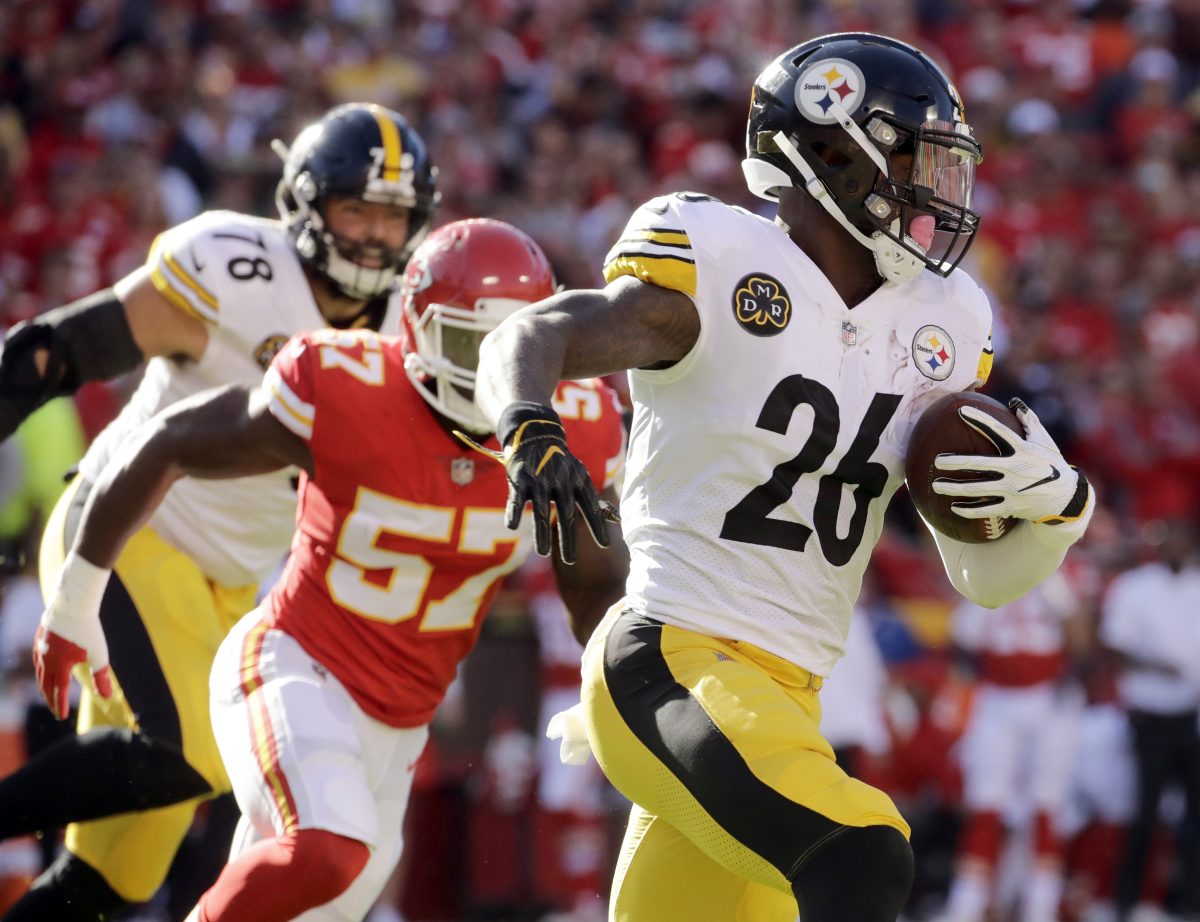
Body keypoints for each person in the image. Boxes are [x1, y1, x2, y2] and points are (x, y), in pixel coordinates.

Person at [470, 32, 1096, 922]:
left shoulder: (944, 322)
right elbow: (531, 333)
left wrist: (1057, 512)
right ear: (833, 156)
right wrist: (530, 423)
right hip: (669, 655)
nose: (938, 193)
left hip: (787, 699)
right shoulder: (722, 262)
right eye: (916, 161)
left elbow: (984, 579)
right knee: (861, 854)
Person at [34, 218, 629, 921]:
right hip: (297, 665)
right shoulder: (349, 387)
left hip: (401, 722)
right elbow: (169, 441)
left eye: (512, 346)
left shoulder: (579, 424)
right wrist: (75, 597)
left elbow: (594, 583)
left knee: (308, 896)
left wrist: (604, 682)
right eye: (471, 344)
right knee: (326, 849)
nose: (488, 375)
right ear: (416, 329)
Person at [0, 101, 440, 920]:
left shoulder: (414, 323)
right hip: (124, 531)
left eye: (394, 216)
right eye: (358, 209)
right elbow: (60, 352)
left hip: (231, 586)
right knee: (195, 754)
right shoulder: (237, 270)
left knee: (112, 879)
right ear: (306, 203)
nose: (378, 235)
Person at [935, 569, 1091, 922]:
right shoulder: (991, 577)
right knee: (986, 803)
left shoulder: (1052, 578)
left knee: (1047, 804)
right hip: (998, 701)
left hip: (1048, 701)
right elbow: (962, 640)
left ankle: (1041, 906)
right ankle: (966, 905)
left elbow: (1080, 639)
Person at [1099, 519, 1200, 922]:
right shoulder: (1136, 587)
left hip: (1192, 715)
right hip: (1150, 716)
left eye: (1182, 538)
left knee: (1195, 813)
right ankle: (1127, 899)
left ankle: (1188, 901)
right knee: (1144, 811)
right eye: (1169, 538)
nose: (1175, 545)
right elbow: (1113, 644)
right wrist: (1156, 666)